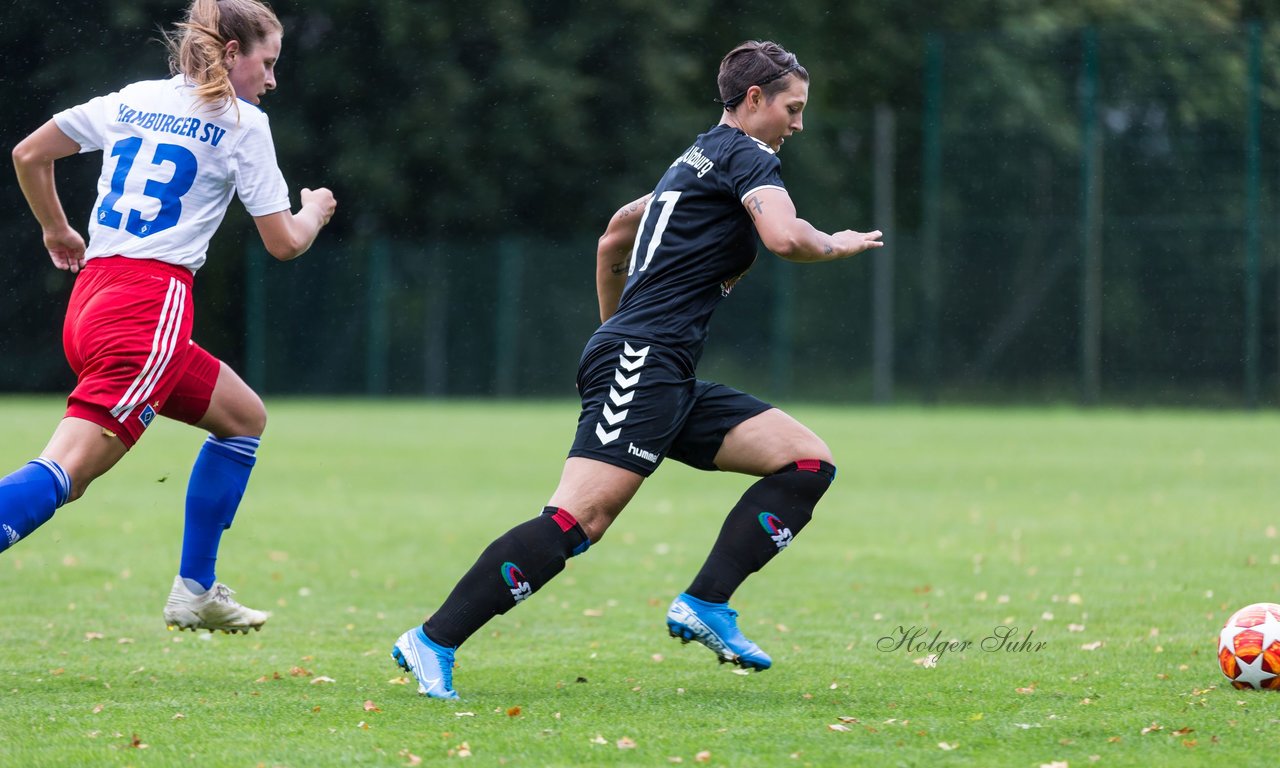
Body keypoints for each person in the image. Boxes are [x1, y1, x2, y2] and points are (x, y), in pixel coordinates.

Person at [393, 39, 881, 699]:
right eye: (792, 109)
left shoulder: (699, 157)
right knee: (577, 521)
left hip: (658, 364)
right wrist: (838, 243)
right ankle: (433, 639)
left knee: (805, 463)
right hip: (645, 359)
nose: (798, 124)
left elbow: (616, 233)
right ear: (756, 99)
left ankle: (707, 603)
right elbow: (787, 237)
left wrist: (614, 335)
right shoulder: (745, 155)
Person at [2, 0, 336, 634]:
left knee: (242, 418)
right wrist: (315, 208)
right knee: (67, 472)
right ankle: (194, 587)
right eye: (267, 63)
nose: (271, 80)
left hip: (93, 298)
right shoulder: (243, 123)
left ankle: (197, 589)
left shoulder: (133, 98)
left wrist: (57, 230)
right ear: (233, 54)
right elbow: (284, 242)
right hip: (148, 309)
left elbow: (28, 154)